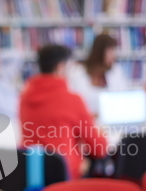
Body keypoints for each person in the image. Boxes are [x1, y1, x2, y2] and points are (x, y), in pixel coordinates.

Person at [20, 44, 107, 180]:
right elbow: (99, 149)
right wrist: (101, 134)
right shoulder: (72, 100)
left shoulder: (24, 97)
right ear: (60, 67)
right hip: (66, 174)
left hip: (32, 172)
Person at [67, 34, 129, 116]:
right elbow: (73, 101)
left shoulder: (116, 71)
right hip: (85, 121)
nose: (113, 55)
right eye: (110, 51)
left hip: (112, 120)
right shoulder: (77, 72)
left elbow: (123, 98)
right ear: (99, 52)